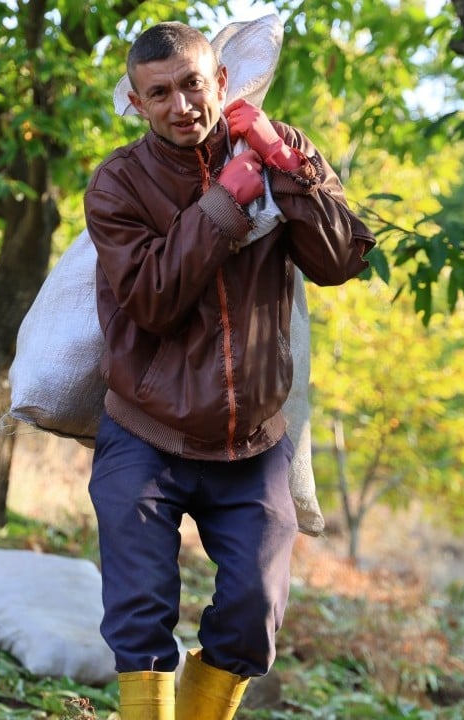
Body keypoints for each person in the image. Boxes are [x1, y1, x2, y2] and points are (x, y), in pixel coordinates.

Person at [83, 20, 375, 720]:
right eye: (160, 94)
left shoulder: (281, 150)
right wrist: (229, 199)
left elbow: (342, 260)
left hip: (254, 442)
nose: (181, 105)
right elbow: (152, 299)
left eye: (191, 85)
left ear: (219, 82)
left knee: (251, 619)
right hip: (144, 432)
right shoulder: (117, 185)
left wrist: (283, 164)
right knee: (140, 617)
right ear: (136, 102)